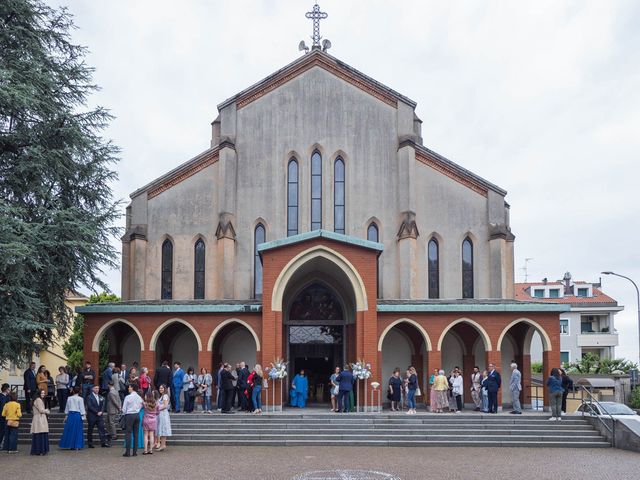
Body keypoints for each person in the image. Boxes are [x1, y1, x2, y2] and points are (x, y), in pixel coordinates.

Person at [121, 384, 144, 457]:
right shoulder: (139, 397)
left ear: (133, 388)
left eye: (130, 387)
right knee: (136, 434)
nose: (128, 388)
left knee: (128, 433)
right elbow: (141, 405)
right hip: (137, 415)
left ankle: (127, 452)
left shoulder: (128, 397)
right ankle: (135, 452)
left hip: (129, 415)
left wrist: (124, 412)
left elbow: (124, 409)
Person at [87, 384, 110, 448]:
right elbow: (89, 406)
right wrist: (96, 412)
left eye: (98, 388)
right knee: (90, 430)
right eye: (96, 388)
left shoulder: (101, 397)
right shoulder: (89, 397)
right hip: (92, 415)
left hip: (99, 416)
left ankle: (103, 443)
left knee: (102, 429)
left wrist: (101, 412)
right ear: (92, 389)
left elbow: (103, 406)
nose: (97, 389)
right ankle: (90, 443)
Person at [30, 389, 50, 455]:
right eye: (42, 393)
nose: (43, 395)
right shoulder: (38, 400)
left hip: (37, 417)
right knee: (41, 433)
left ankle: (37, 450)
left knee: (37, 434)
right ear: (39, 394)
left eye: (44, 393)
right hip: (40, 418)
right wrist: (47, 411)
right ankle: (41, 450)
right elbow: (41, 410)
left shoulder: (36, 400)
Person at [155, 384, 172, 450]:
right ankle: (162, 444)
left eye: (162, 388)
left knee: (163, 428)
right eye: (160, 388)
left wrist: (157, 409)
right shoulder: (162, 396)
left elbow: (165, 406)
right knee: (161, 429)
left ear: (165, 389)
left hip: (163, 414)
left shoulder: (165, 396)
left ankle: (163, 445)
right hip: (161, 414)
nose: (160, 389)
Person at [0, 383, 9, 448]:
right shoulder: (2, 397)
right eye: (8, 389)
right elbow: (3, 407)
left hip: (4, 416)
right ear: (6, 389)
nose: (9, 390)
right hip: (2, 416)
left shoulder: (6, 397)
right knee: (2, 431)